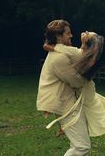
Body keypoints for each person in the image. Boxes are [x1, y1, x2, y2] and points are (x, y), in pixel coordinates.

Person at [44, 31, 105, 137]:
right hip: (83, 86)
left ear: (88, 42)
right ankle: (64, 126)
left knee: (90, 107)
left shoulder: (83, 55)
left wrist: (49, 46)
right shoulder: (80, 53)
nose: (86, 32)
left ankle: (72, 125)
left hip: (85, 87)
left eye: (88, 34)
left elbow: (51, 47)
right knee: (83, 105)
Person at [36, 20, 91, 156]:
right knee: (81, 147)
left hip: (68, 103)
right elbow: (77, 81)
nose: (71, 35)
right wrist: (89, 76)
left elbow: (78, 53)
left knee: (78, 144)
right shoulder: (58, 58)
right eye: (68, 33)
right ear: (58, 37)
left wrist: (84, 45)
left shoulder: (62, 52)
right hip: (65, 106)